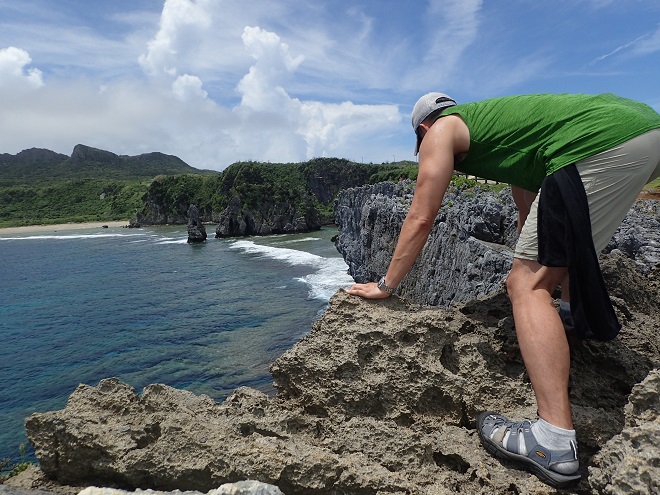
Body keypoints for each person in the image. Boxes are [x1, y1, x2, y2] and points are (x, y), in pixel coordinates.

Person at [346, 92, 660, 488]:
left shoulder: (440, 131)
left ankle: (553, 441)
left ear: (423, 129)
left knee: (525, 285)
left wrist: (385, 285)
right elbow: (532, 214)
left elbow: (422, 216)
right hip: (646, 132)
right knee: (559, 255)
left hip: (597, 142)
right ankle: (567, 314)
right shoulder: (502, 129)